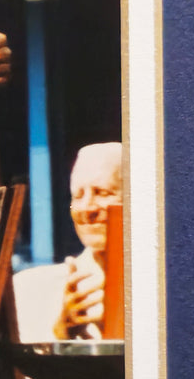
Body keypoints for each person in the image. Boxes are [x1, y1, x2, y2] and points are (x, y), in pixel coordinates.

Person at [13, 142, 123, 342]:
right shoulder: (31, 289)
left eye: (103, 193)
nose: (87, 208)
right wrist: (62, 333)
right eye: (78, 196)